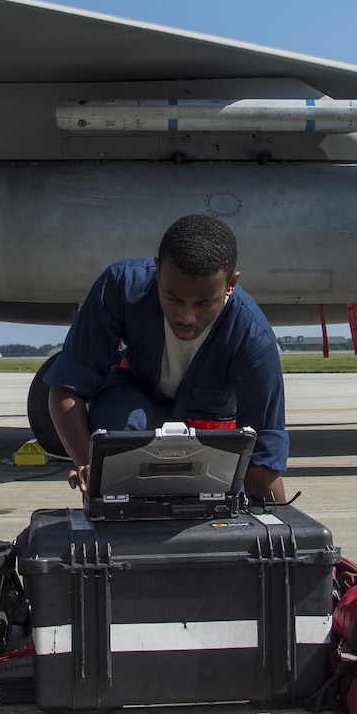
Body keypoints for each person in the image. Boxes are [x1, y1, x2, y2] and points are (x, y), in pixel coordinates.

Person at [43, 214, 287, 501]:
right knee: (116, 436)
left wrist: (285, 531)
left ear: (231, 284)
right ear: (157, 270)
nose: (186, 317)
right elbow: (66, 387)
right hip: (135, 394)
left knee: (228, 487)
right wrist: (89, 463)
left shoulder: (253, 337)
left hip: (210, 422)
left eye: (204, 303)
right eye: (173, 298)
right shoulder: (120, 285)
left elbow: (264, 457)